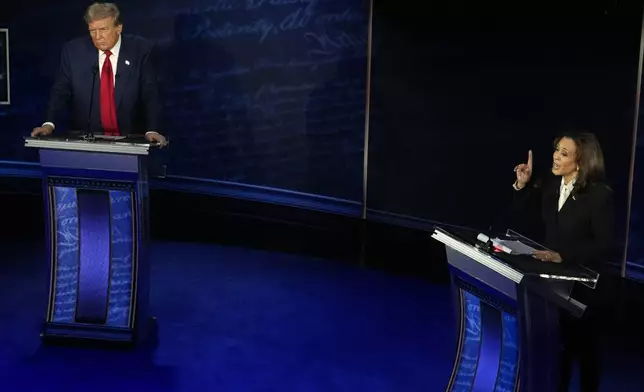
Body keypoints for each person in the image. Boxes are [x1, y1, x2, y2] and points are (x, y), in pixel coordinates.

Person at [512, 132, 614, 392]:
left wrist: (565, 255)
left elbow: (605, 244)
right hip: (553, 287)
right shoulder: (550, 185)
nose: (556, 156)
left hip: (586, 293)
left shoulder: (599, 196)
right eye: (557, 149)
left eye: (564, 153)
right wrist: (523, 184)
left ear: (580, 163)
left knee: (586, 361)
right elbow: (527, 214)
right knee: (559, 358)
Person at [31, 2, 166, 145]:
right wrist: (49, 124)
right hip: (85, 140)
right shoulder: (73, 52)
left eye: (103, 29)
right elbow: (60, 91)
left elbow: (150, 93)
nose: (98, 36)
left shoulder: (141, 51)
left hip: (131, 139)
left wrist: (153, 129)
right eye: (92, 31)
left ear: (118, 28)